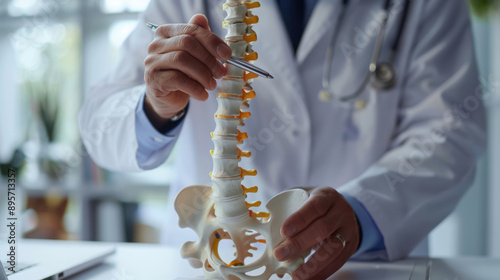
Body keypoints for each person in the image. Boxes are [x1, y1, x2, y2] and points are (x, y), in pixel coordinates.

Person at [79, 0, 486, 279]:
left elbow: (449, 130)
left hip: (361, 266)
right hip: (211, 263)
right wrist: (156, 106)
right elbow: (99, 123)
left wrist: (364, 212)